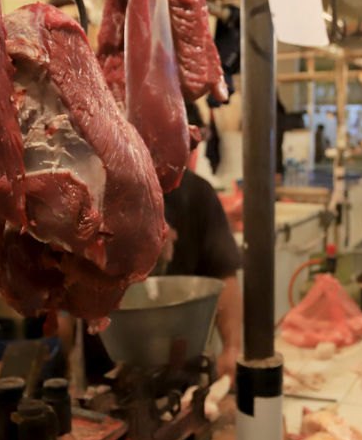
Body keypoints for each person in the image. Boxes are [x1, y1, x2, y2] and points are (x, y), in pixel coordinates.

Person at [81, 104, 243, 381]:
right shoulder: (92, 192)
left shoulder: (199, 194)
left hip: (181, 365)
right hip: (107, 364)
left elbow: (223, 275)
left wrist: (232, 348)